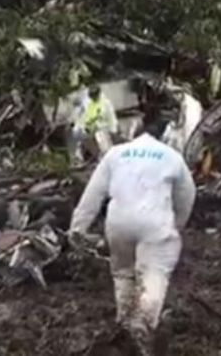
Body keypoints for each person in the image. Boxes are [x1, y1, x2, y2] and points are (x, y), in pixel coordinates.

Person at [68, 110, 196, 353]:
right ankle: (141, 330)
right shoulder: (172, 156)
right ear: (164, 136)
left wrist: (77, 229)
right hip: (154, 224)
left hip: (118, 224)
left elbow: (92, 194)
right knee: (153, 276)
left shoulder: (115, 154)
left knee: (123, 274)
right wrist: (177, 225)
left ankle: (125, 324)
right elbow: (187, 196)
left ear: (134, 133)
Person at [69, 84, 118, 163]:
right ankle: (95, 156)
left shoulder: (103, 103)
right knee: (80, 133)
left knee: (100, 136)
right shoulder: (86, 101)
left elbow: (107, 118)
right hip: (90, 128)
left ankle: (105, 156)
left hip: (103, 127)